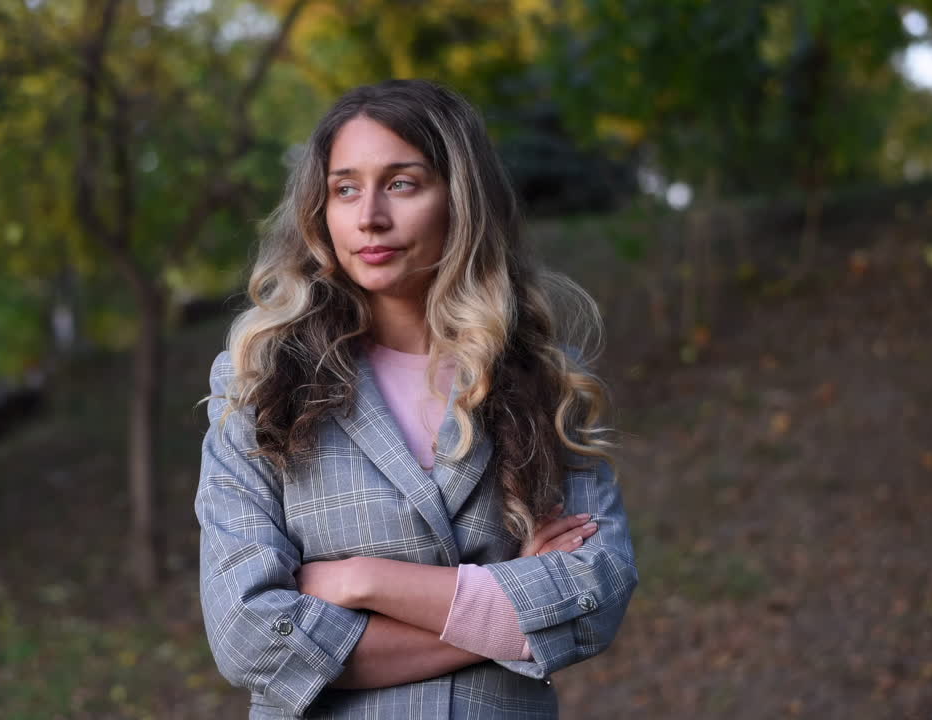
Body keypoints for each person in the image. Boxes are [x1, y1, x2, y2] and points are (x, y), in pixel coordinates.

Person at [196, 79, 637, 719]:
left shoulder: (545, 379)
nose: (369, 215)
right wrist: (504, 622)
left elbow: (596, 594)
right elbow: (249, 637)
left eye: (402, 183)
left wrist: (362, 582)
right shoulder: (258, 383)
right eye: (345, 189)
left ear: (460, 199)